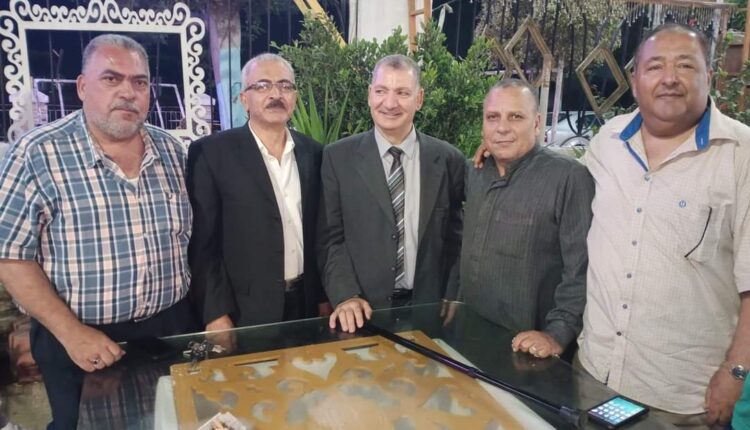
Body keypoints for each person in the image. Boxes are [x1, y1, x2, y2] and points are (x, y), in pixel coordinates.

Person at [0, 34, 198, 429]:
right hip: (78, 337)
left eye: (139, 81)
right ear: (82, 86)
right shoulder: (38, 154)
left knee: (171, 421)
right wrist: (71, 332)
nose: (127, 92)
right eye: (111, 78)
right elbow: (10, 256)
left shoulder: (174, 153)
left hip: (169, 330)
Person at [576, 24, 750, 427]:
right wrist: (505, 152)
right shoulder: (609, 141)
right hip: (594, 375)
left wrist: (736, 371)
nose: (669, 78)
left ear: (710, 75)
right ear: (636, 80)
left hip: (682, 399)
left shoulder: (741, 156)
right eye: (655, 66)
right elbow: (560, 190)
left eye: (685, 65)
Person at [319, 54, 464, 333]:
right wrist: (345, 294)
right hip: (361, 311)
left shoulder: (448, 160)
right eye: (381, 91)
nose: (390, 103)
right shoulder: (338, 158)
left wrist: (452, 293)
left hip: (430, 310)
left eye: (402, 93)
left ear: (419, 99)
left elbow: (457, 238)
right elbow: (330, 239)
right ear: (369, 95)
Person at [187, 53, 329, 334]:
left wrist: (324, 297)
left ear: (295, 96)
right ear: (244, 99)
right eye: (263, 85)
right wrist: (215, 313)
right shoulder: (212, 153)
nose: (276, 94)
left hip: (307, 304)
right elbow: (203, 243)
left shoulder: (314, 153)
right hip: (244, 311)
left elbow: (321, 234)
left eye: (285, 86)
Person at [462, 79, 593, 360]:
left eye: (515, 117)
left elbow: (581, 268)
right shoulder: (474, 172)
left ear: (536, 123)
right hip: (469, 334)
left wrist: (557, 333)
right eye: (492, 117)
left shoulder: (568, 178)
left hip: (530, 351)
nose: (502, 128)